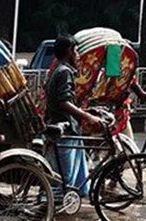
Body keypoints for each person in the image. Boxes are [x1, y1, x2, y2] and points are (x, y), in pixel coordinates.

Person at [44, 36, 103, 199]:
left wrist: (87, 111)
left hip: (69, 128)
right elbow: (63, 102)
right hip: (64, 129)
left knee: (79, 182)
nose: (78, 55)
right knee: (64, 180)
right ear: (69, 51)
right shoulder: (64, 72)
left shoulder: (59, 70)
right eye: (76, 51)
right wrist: (87, 116)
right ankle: (52, 208)